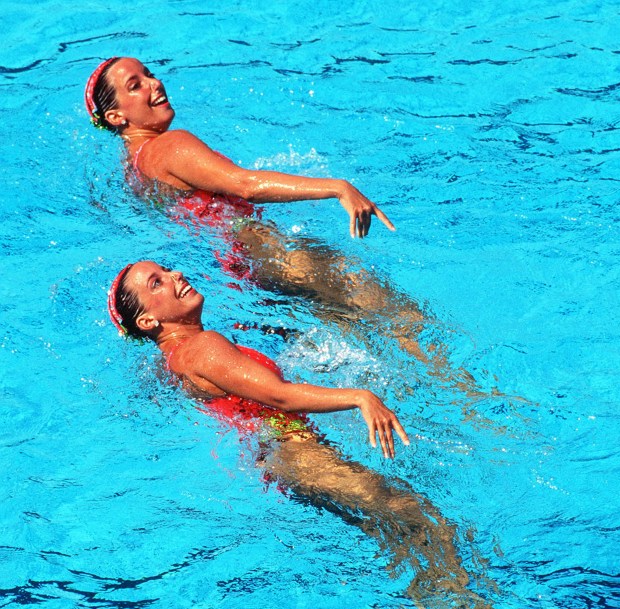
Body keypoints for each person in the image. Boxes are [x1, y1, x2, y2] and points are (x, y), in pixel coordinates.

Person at [108, 260, 527, 609]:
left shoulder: (174, 358)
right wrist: (359, 397)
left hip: (279, 456)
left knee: (396, 533)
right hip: (296, 451)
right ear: (148, 320)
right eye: (157, 282)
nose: (175, 277)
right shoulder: (204, 347)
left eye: (168, 270)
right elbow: (278, 395)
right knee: (421, 519)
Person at [87, 57, 496, 405]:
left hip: (243, 268)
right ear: (116, 116)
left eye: (150, 74)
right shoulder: (168, 146)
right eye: (135, 86)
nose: (155, 85)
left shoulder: (135, 171)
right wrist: (335, 187)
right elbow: (245, 184)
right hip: (271, 250)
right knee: (398, 319)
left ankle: (429, 400)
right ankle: (476, 401)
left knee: (363, 336)